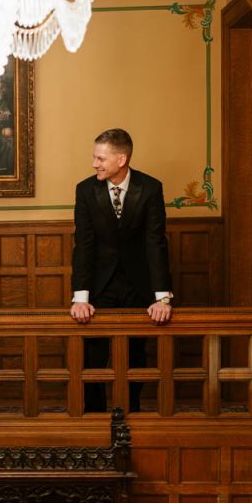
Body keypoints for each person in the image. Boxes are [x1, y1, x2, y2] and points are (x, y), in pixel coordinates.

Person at [70, 129, 173, 412]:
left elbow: (155, 243)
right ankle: (94, 419)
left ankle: (132, 416)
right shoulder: (85, 190)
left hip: (137, 287)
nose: (95, 164)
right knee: (92, 360)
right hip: (99, 288)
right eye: (94, 157)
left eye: (101, 158)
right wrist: (81, 297)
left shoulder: (151, 188)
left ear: (122, 158)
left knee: (135, 357)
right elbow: (84, 246)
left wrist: (161, 297)